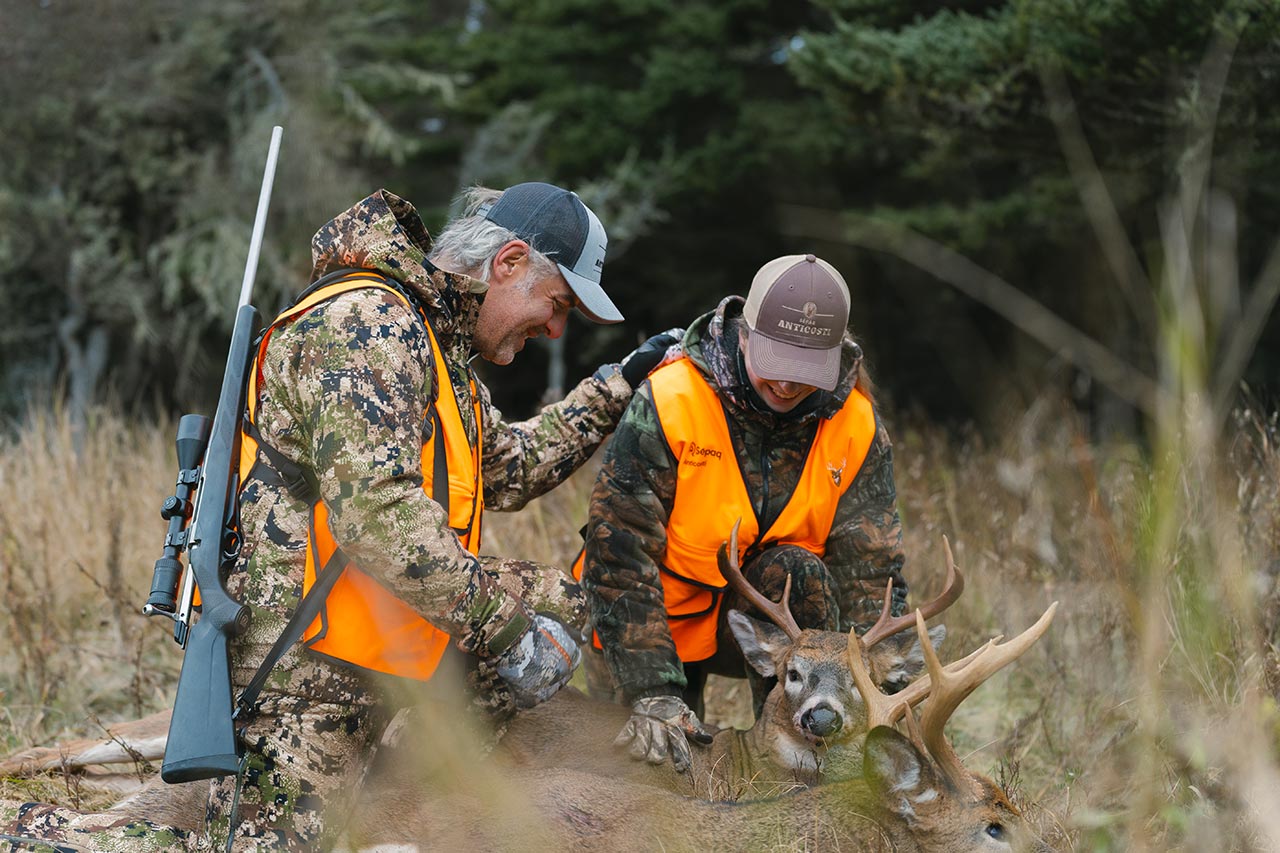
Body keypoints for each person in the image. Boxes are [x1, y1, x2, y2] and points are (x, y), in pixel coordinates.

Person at [195, 183, 677, 850]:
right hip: (302, 669)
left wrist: (622, 381)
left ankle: (407, 802)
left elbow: (507, 467)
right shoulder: (368, 323)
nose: (556, 327)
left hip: (376, 641)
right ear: (507, 263)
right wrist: (508, 632)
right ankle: (29, 827)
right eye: (557, 303)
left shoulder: (433, 344)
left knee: (562, 601)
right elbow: (379, 516)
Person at [578, 253, 909, 773]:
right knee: (657, 772)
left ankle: (796, 764)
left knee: (797, 569)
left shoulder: (855, 425)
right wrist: (653, 691)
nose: (786, 385)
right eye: (775, 362)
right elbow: (618, 549)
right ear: (744, 333)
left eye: (806, 371)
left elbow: (871, 569)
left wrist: (885, 696)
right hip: (650, 626)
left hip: (764, 634)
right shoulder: (672, 399)